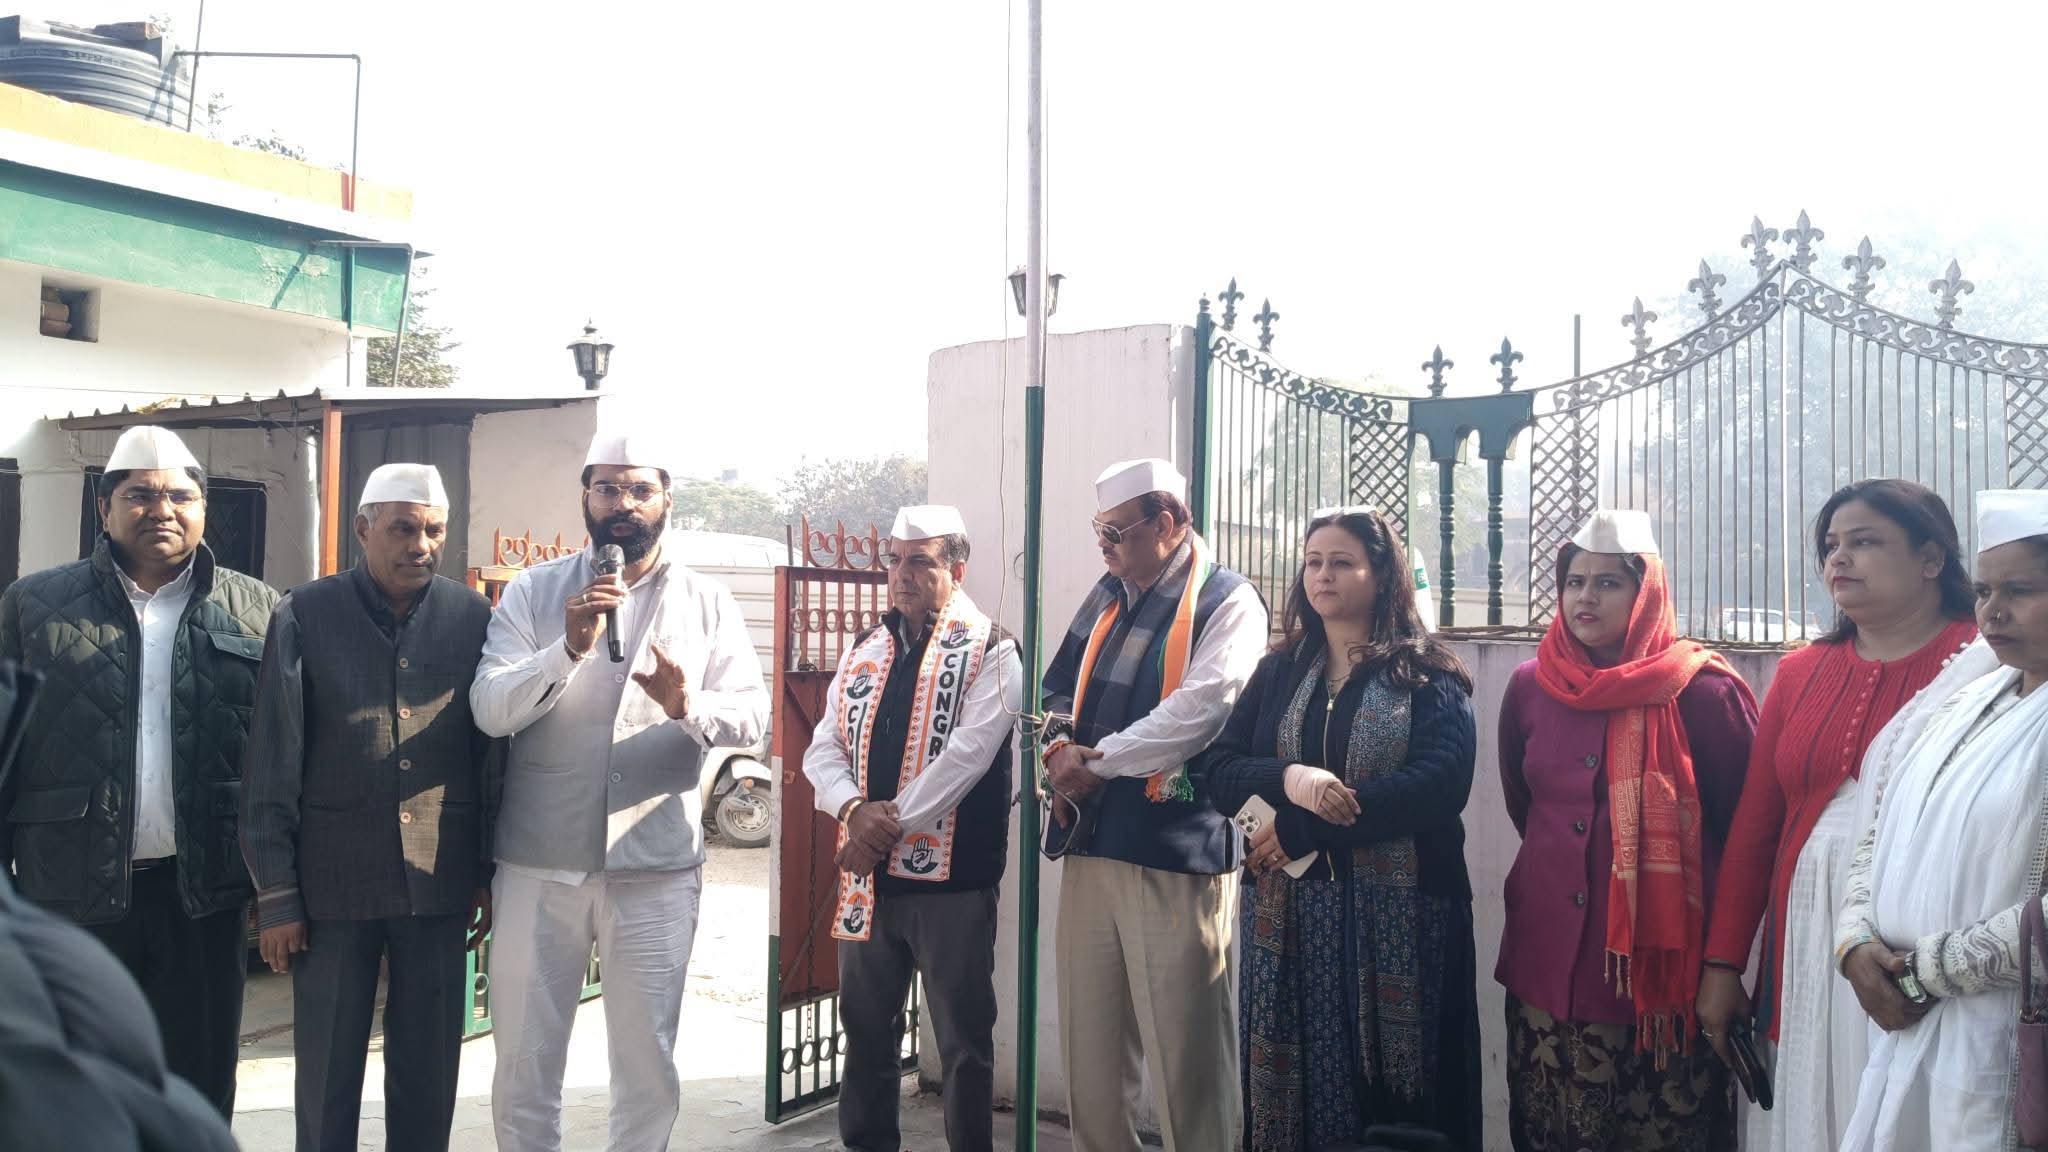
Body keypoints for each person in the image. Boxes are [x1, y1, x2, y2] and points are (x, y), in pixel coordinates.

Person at [471, 429, 769, 1152]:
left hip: (656, 866)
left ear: (666, 500)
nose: (623, 504)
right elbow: (490, 709)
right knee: (524, 1060)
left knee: (646, 1065)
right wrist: (566, 649)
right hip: (540, 862)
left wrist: (687, 705)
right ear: (585, 498)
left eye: (640, 489)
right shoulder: (535, 591)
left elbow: (754, 719)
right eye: (607, 488)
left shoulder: (707, 600)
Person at [0, 425, 276, 1117]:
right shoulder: (33, 606)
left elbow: (281, 757)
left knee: (198, 1085)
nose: (162, 509)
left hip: (204, 893)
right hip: (70, 892)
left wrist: (279, 885)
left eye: (180, 495)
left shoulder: (259, 610)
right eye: (141, 495)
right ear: (105, 508)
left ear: (204, 509)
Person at [1696, 479, 1977, 1152]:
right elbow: (1755, 833)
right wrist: (1723, 964)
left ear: (1931, 559)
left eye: (1865, 542)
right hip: (1805, 937)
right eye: (1830, 545)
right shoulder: (1801, 672)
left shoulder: (1983, 665)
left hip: (1915, 937)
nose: (1838, 559)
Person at [1199, 505, 1481, 1150]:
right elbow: (1218, 769)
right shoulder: (1279, 671)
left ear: (1380, 575)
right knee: (1295, 1090)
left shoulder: (1425, 671)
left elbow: (1439, 785)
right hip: (1289, 919)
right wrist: (1292, 778)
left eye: (1342, 562)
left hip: (1404, 922)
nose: (1322, 575)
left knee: (1401, 1096)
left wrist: (1309, 831)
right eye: (1313, 562)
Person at [240, 464, 499, 1152]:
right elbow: (272, 758)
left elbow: (490, 757)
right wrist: (277, 894)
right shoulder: (305, 612)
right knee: (327, 1068)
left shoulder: (473, 618)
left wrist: (485, 873)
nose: (421, 544)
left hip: (437, 882)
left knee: (429, 1068)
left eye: (434, 530)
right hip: (333, 885)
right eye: (403, 528)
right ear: (362, 529)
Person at [1496, 510, 1758, 1151]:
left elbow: (1746, 841)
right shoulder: (1532, 686)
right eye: (1574, 581)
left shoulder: (1704, 694)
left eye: (1608, 583)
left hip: (1664, 989)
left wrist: (1724, 966)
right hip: (1546, 968)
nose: (1585, 597)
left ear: (1647, 593)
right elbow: (1526, 807)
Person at [1040, 457, 1268, 1152]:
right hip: (1092, 845)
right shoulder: (1106, 596)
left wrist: (1096, 764)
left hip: (1176, 857)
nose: (1102, 544)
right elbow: (1056, 690)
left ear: (1166, 523)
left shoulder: (1228, 600)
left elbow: (1200, 711)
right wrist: (1058, 749)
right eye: (1099, 529)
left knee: (1186, 1062)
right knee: (1092, 1060)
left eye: (1116, 532)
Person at [1833, 489, 2048, 1151]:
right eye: (1983, 591)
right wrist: (1854, 944)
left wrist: (1926, 970)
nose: (1993, 611)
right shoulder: (1969, 697)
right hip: (1912, 1031)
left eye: (2020, 590)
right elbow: (1884, 827)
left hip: (2008, 1039)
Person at [802, 504, 1021, 1152]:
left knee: (962, 1041)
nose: (902, 574)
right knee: (867, 1033)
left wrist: (880, 829)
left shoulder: (992, 649)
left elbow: (966, 761)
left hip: (952, 886)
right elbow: (822, 749)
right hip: (869, 885)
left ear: (957, 569)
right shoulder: (865, 648)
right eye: (895, 560)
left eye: (920, 562)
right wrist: (853, 811)